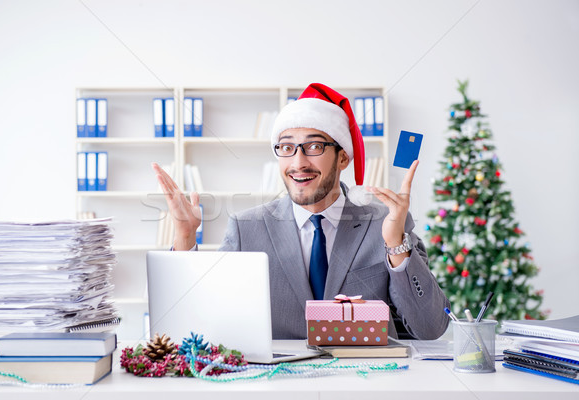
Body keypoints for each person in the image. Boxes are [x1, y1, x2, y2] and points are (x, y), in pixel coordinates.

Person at [153, 83, 450, 340]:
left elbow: (431, 327)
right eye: (286, 148)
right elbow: (200, 319)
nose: (298, 163)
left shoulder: (385, 224)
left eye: (314, 147)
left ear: (343, 157)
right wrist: (184, 237)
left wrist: (395, 245)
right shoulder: (247, 228)